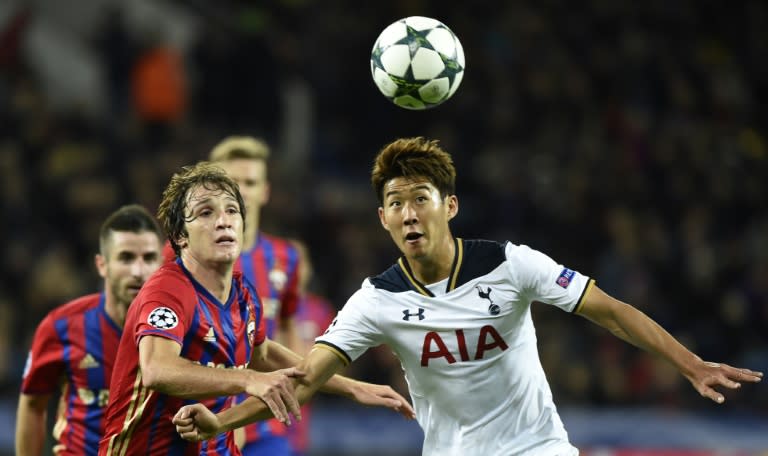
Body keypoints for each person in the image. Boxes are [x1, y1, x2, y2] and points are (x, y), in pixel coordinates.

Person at [173, 137, 763, 455]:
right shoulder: (375, 300)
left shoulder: (511, 264)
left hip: (538, 447)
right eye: (397, 203)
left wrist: (690, 364)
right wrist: (221, 424)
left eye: (421, 197)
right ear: (382, 218)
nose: (410, 213)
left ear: (448, 206)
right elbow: (301, 380)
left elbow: (612, 313)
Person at [99, 162, 413, 455]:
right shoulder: (167, 288)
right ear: (181, 236)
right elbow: (157, 370)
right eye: (205, 213)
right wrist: (248, 379)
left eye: (232, 211)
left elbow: (261, 353)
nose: (223, 221)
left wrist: (349, 387)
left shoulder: (243, 293)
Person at [16, 204, 164, 456]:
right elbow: (32, 404)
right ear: (102, 265)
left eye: (149, 258)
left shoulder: (182, 328)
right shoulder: (61, 326)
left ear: (162, 264)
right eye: (126, 258)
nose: (138, 271)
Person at [208, 136, 304, 454]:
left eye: (250, 182)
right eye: (231, 182)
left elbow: (288, 322)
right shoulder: (180, 256)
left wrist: (298, 381)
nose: (241, 190)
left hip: (268, 425)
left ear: (264, 191)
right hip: (206, 422)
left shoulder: (286, 257)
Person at [286, 239, 336, 456]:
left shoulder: (321, 310)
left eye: (300, 262)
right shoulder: (260, 305)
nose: (295, 268)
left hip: (306, 411)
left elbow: (341, 364)